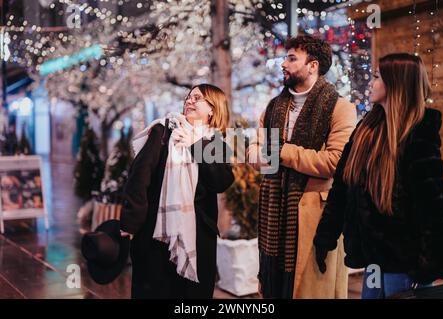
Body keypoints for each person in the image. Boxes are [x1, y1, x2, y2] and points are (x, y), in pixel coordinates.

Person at [314, 53, 443, 299]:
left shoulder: (417, 134)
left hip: (406, 265)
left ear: (396, 83)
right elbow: (342, 188)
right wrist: (326, 236)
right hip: (374, 260)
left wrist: (429, 265)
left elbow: (434, 207)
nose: (371, 82)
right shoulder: (366, 130)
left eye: (377, 76)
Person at [247, 34, 357, 298]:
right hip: (275, 210)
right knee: (275, 288)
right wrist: (261, 156)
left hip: (316, 217)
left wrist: (280, 151)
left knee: (310, 290)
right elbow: (254, 152)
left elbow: (333, 162)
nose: (283, 64)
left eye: (292, 58)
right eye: (285, 57)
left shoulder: (339, 108)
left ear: (313, 65)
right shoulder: (273, 107)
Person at [120, 84, 234, 299]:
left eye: (197, 98)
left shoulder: (215, 143)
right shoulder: (163, 131)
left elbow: (221, 182)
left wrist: (196, 144)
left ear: (213, 109)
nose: (189, 100)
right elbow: (139, 177)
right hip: (156, 236)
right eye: (189, 96)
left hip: (197, 239)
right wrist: (130, 223)